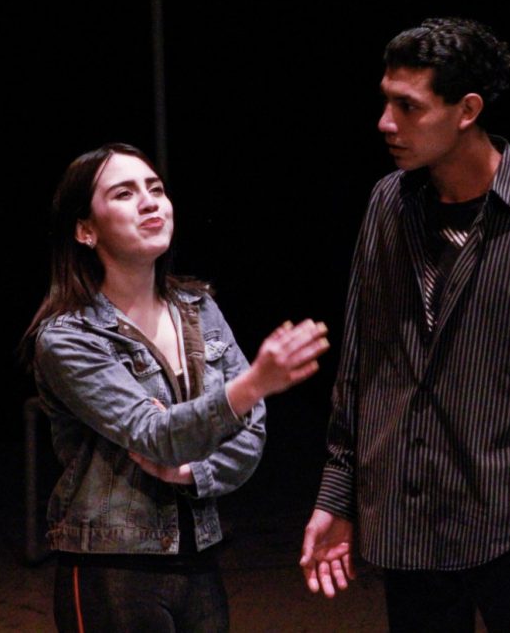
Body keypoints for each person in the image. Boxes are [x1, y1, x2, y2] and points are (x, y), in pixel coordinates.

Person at [299, 18, 510, 632]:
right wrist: (337, 494)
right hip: (408, 518)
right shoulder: (387, 205)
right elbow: (362, 366)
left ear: (467, 110)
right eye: (386, 101)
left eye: (409, 106)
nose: (386, 123)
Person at [23, 143, 329, 632]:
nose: (150, 202)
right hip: (113, 566)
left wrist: (194, 472)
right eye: (124, 193)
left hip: (199, 556)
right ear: (85, 230)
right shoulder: (68, 337)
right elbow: (155, 435)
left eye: (156, 189)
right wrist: (252, 385)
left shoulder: (198, 308)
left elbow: (250, 434)